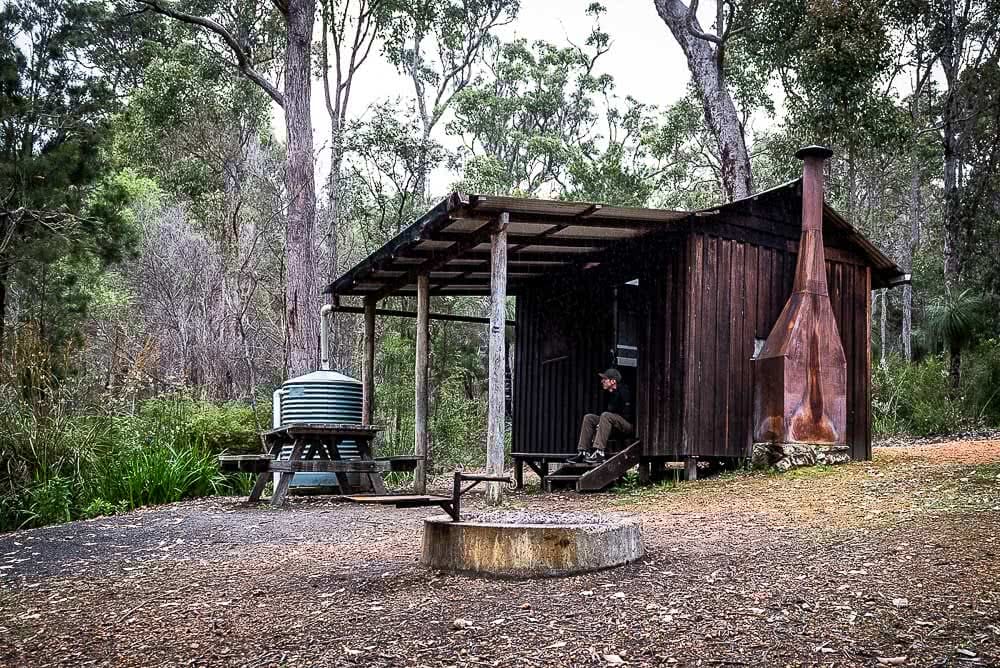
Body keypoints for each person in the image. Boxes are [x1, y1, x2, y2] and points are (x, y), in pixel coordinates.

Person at [568, 368, 633, 465]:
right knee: (589, 418)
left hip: (627, 426)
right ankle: (583, 452)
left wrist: (606, 422)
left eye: (605, 379)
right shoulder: (610, 394)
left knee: (606, 415)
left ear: (613, 381)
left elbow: (627, 415)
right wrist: (603, 424)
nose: (602, 381)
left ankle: (599, 453)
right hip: (612, 423)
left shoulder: (624, 391)